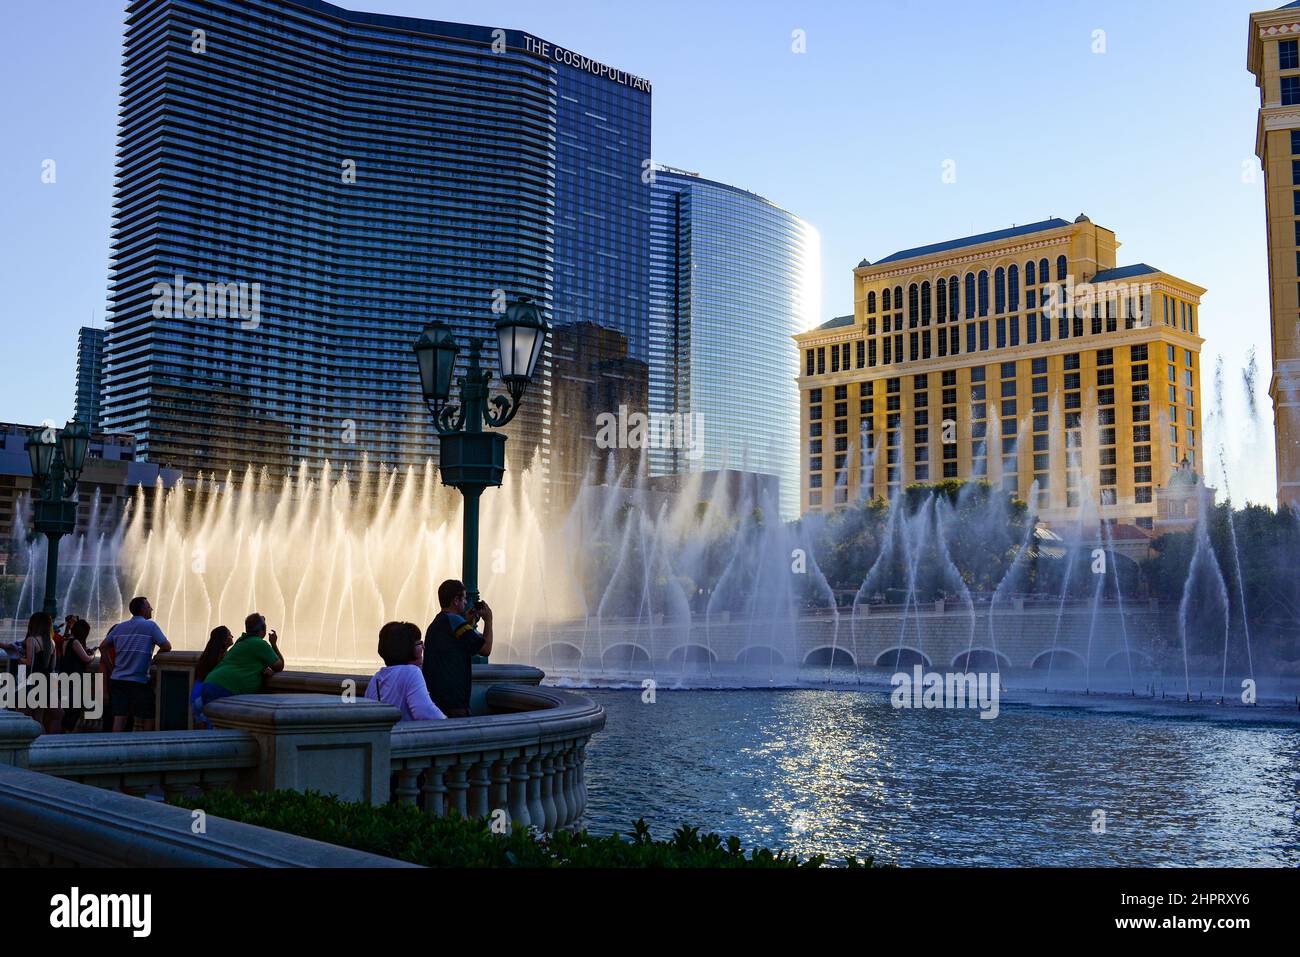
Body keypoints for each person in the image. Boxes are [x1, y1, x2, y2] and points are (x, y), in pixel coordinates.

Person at [100, 596, 172, 732]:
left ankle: (116, 750)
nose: (152, 609)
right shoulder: (150, 626)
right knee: (148, 716)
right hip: (139, 681)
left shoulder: (120, 627)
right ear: (143, 610)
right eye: (149, 606)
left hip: (118, 680)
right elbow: (167, 646)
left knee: (119, 718)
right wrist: (155, 658)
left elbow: (102, 647)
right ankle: (145, 748)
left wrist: (112, 667)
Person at [423, 580, 492, 718]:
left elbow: (454, 645)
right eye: (464, 598)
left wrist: (467, 623)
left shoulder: (435, 624)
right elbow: (485, 650)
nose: (466, 602)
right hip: (455, 703)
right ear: (456, 600)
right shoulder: (455, 621)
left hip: (437, 700)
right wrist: (489, 621)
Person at [198, 613, 284, 714]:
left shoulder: (240, 642)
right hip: (225, 689)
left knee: (214, 726)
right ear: (263, 629)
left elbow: (246, 662)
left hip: (210, 682)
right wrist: (274, 644)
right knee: (228, 727)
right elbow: (279, 665)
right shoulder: (259, 643)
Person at [365, 622, 446, 722]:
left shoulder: (376, 678)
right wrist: (450, 725)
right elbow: (425, 712)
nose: (423, 648)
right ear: (407, 648)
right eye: (420, 643)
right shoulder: (411, 672)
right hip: (405, 735)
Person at [18, 612, 56, 728]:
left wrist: (19, 659)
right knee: (39, 718)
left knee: (21, 714)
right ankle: (40, 743)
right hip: (46, 682)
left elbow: (29, 662)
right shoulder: (52, 642)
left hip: (33, 681)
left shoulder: (32, 640)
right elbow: (53, 666)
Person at [191, 626, 234, 729]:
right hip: (207, 696)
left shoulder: (207, 657)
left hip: (197, 695)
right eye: (229, 635)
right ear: (224, 640)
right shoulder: (223, 659)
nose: (232, 636)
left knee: (203, 733)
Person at [57, 618, 94, 733]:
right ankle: (66, 730)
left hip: (66, 676)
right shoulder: (75, 642)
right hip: (75, 678)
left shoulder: (67, 640)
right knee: (74, 707)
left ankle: (63, 730)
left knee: (67, 706)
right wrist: (92, 654)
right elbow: (86, 659)